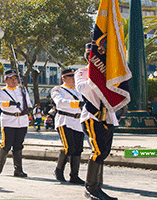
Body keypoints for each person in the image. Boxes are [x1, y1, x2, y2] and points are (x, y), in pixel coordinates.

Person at [75, 43, 118, 200]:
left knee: (104, 152)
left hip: (108, 116)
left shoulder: (110, 73)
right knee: (98, 151)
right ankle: (90, 188)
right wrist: (96, 78)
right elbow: (81, 88)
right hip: (92, 116)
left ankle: (98, 188)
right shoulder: (82, 72)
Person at [0, 69, 33, 177]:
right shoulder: (0, 91)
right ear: (6, 80)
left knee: (18, 145)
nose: (14, 81)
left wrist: (29, 108)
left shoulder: (22, 90)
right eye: (11, 79)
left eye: (15, 78)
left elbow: (28, 102)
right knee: (6, 144)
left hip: (22, 121)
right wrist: (7, 103)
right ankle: (0, 164)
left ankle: (18, 170)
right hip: (8, 121)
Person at [50, 68, 85, 184]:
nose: (74, 79)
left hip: (78, 122)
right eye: (71, 77)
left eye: (74, 77)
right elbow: (59, 102)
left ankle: (74, 176)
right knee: (68, 147)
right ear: (63, 78)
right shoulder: (57, 90)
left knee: (78, 149)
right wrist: (77, 104)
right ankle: (59, 170)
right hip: (64, 121)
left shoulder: (79, 90)